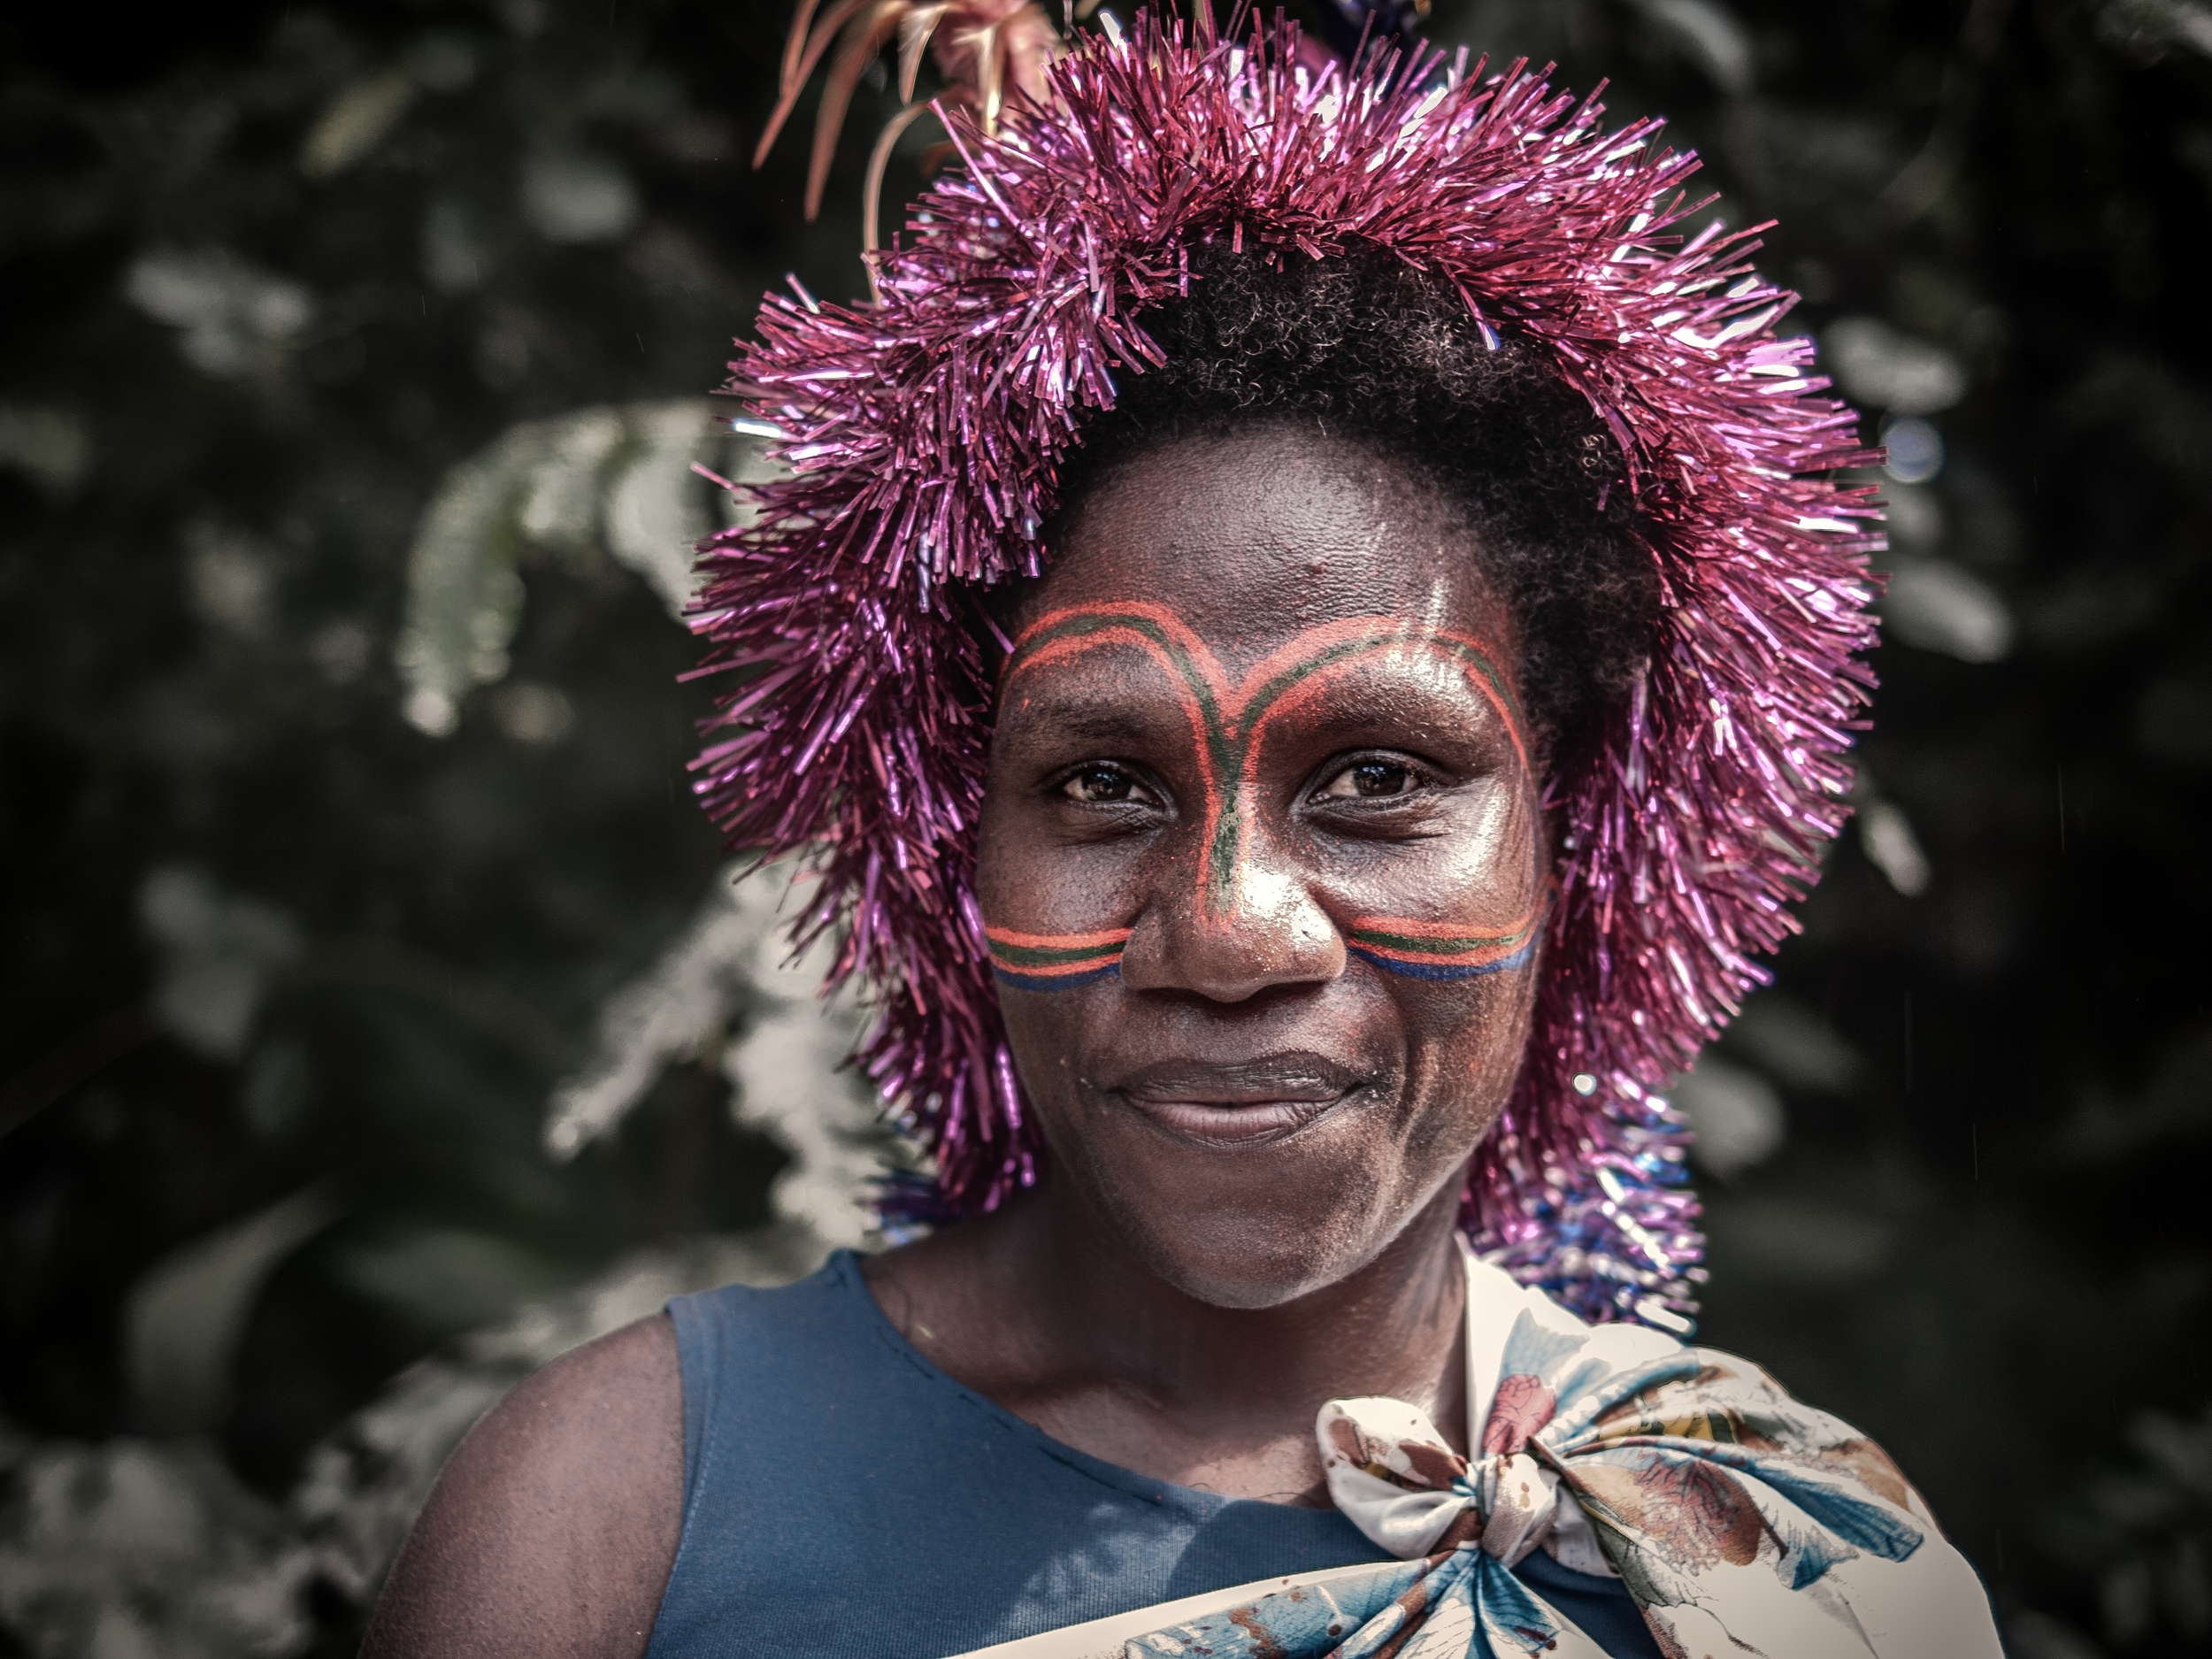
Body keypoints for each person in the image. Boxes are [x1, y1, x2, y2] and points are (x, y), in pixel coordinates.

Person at [364, 8, 2007, 1656]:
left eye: (1378, 777)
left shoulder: (1778, 1555)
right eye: (1100, 783)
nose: (1230, 935)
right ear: (956, 851)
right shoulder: (614, 1515)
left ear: (1572, 838)